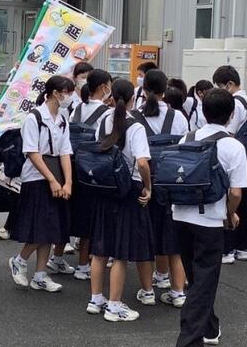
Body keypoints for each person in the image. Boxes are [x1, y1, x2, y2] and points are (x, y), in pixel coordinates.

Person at [171, 88, 247, 347]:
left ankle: (209, 328)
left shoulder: (188, 137)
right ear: (231, 115)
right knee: (204, 281)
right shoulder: (233, 146)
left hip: (180, 215)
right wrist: (230, 214)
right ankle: (188, 346)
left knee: (197, 277)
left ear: (203, 111)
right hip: (210, 220)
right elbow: (236, 192)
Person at [88, 78, 155, 322]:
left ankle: (96, 299)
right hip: (128, 190)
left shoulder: (104, 120)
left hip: (104, 187)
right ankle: (114, 307)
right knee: (121, 251)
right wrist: (148, 187)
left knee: (100, 249)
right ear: (132, 99)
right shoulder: (135, 126)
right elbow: (142, 162)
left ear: (112, 97)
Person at [9, 75, 75, 293]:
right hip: (36, 177)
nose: (70, 96)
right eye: (67, 92)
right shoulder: (34, 117)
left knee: (51, 227)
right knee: (41, 226)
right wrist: (53, 180)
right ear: (55, 93)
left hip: (56, 174)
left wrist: (68, 182)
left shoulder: (62, 118)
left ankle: (40, 275)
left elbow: (65, 152)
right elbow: (32, 152)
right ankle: (20, 260)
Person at [136, 69, 189, 307]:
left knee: (145, 237)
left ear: (144, 88)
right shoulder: (178, 117)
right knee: (173, 239)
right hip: (172, 183)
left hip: (143, 183)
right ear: (165, 90)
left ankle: (147, 291)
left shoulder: (135, 117)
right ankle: (177, 292)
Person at [68, 68, 113, 280]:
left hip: (73, 165)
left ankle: (57, 257)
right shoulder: (106, 113)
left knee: (73, 211)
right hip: (94, 169)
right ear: (103, 87)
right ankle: (83, 265)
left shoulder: (76, 108)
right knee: (91, 217)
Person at [212, 65, 247, 264]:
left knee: (231, 198)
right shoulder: (246, 99)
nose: (219, 90)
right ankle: (243, 247)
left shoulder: (235, 103)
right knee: (244, 200)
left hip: (234, 155)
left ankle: (228, 249)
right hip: (245, 154)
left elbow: (228, 132)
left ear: (229, 84)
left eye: (220, 86)